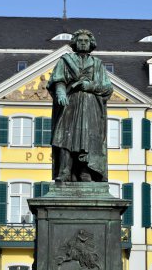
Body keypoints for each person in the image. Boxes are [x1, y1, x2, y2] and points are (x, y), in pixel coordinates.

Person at [47, 29, 113, 182]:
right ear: (74, 43)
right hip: (70, 103)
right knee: (64, 136)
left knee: (88, 139)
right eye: (80, 40)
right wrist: (61, 93)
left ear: (91, 44)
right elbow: (58, 80)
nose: (83, 43)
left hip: (91, 107)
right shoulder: (65, 61)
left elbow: (107, 87)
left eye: (86, 41)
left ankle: (86, 171)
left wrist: (88, 86)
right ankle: (64, 171)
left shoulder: (97, 64)